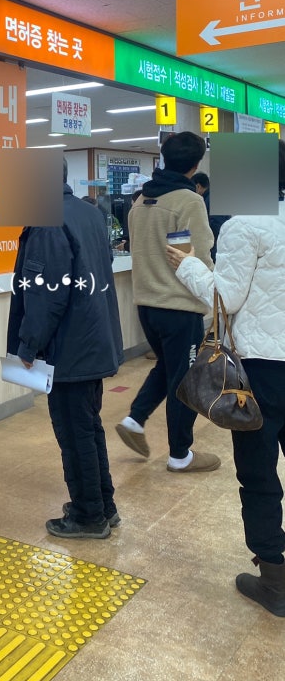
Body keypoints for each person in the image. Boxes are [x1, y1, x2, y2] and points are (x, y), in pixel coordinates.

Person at [167, 140, 285, 617]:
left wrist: (188, 265)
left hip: (261, 371)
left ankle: (274, 578)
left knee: (258, 474)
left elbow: (227, 298)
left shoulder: (244, 225)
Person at [7, 158, 123, 539]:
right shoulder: (88, 214)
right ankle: (103, 505)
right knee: (89, 427)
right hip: (93, 341)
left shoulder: (47, 224)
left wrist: (28, 346)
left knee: (74, 433)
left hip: (69, 349)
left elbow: (45, 296)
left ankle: (89, 516)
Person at [116, 132, 219, 472]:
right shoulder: (188, 201)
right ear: (196, 164)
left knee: (167, 367)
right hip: (179, 307)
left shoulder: (140, 201)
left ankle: (135, 419)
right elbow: (198, 255)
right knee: (185, 380)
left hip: (147, 305)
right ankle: (180, 454)